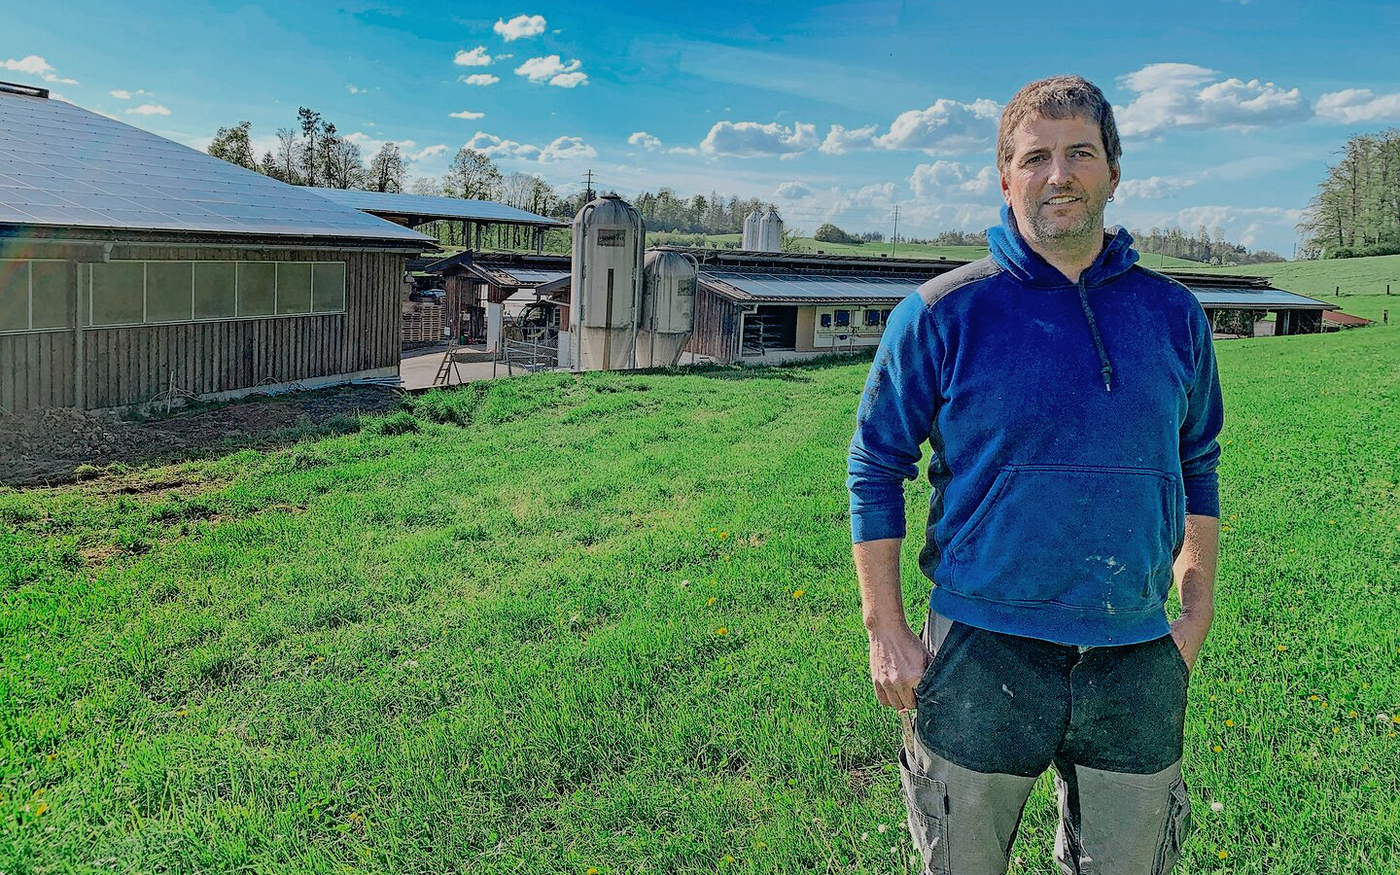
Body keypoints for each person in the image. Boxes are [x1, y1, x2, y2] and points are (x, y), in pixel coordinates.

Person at [846, 75, 1223, 874]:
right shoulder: (942, 312)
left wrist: (1195, 603)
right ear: (1005, 175)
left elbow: (1199, 459)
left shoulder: (1174, 314)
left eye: (1080, 153)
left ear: (1113, 172)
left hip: (1134, 649)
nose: (1060, 174)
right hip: (984, 645)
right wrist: (886, 630)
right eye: (1037, 156)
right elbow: (876, 465)